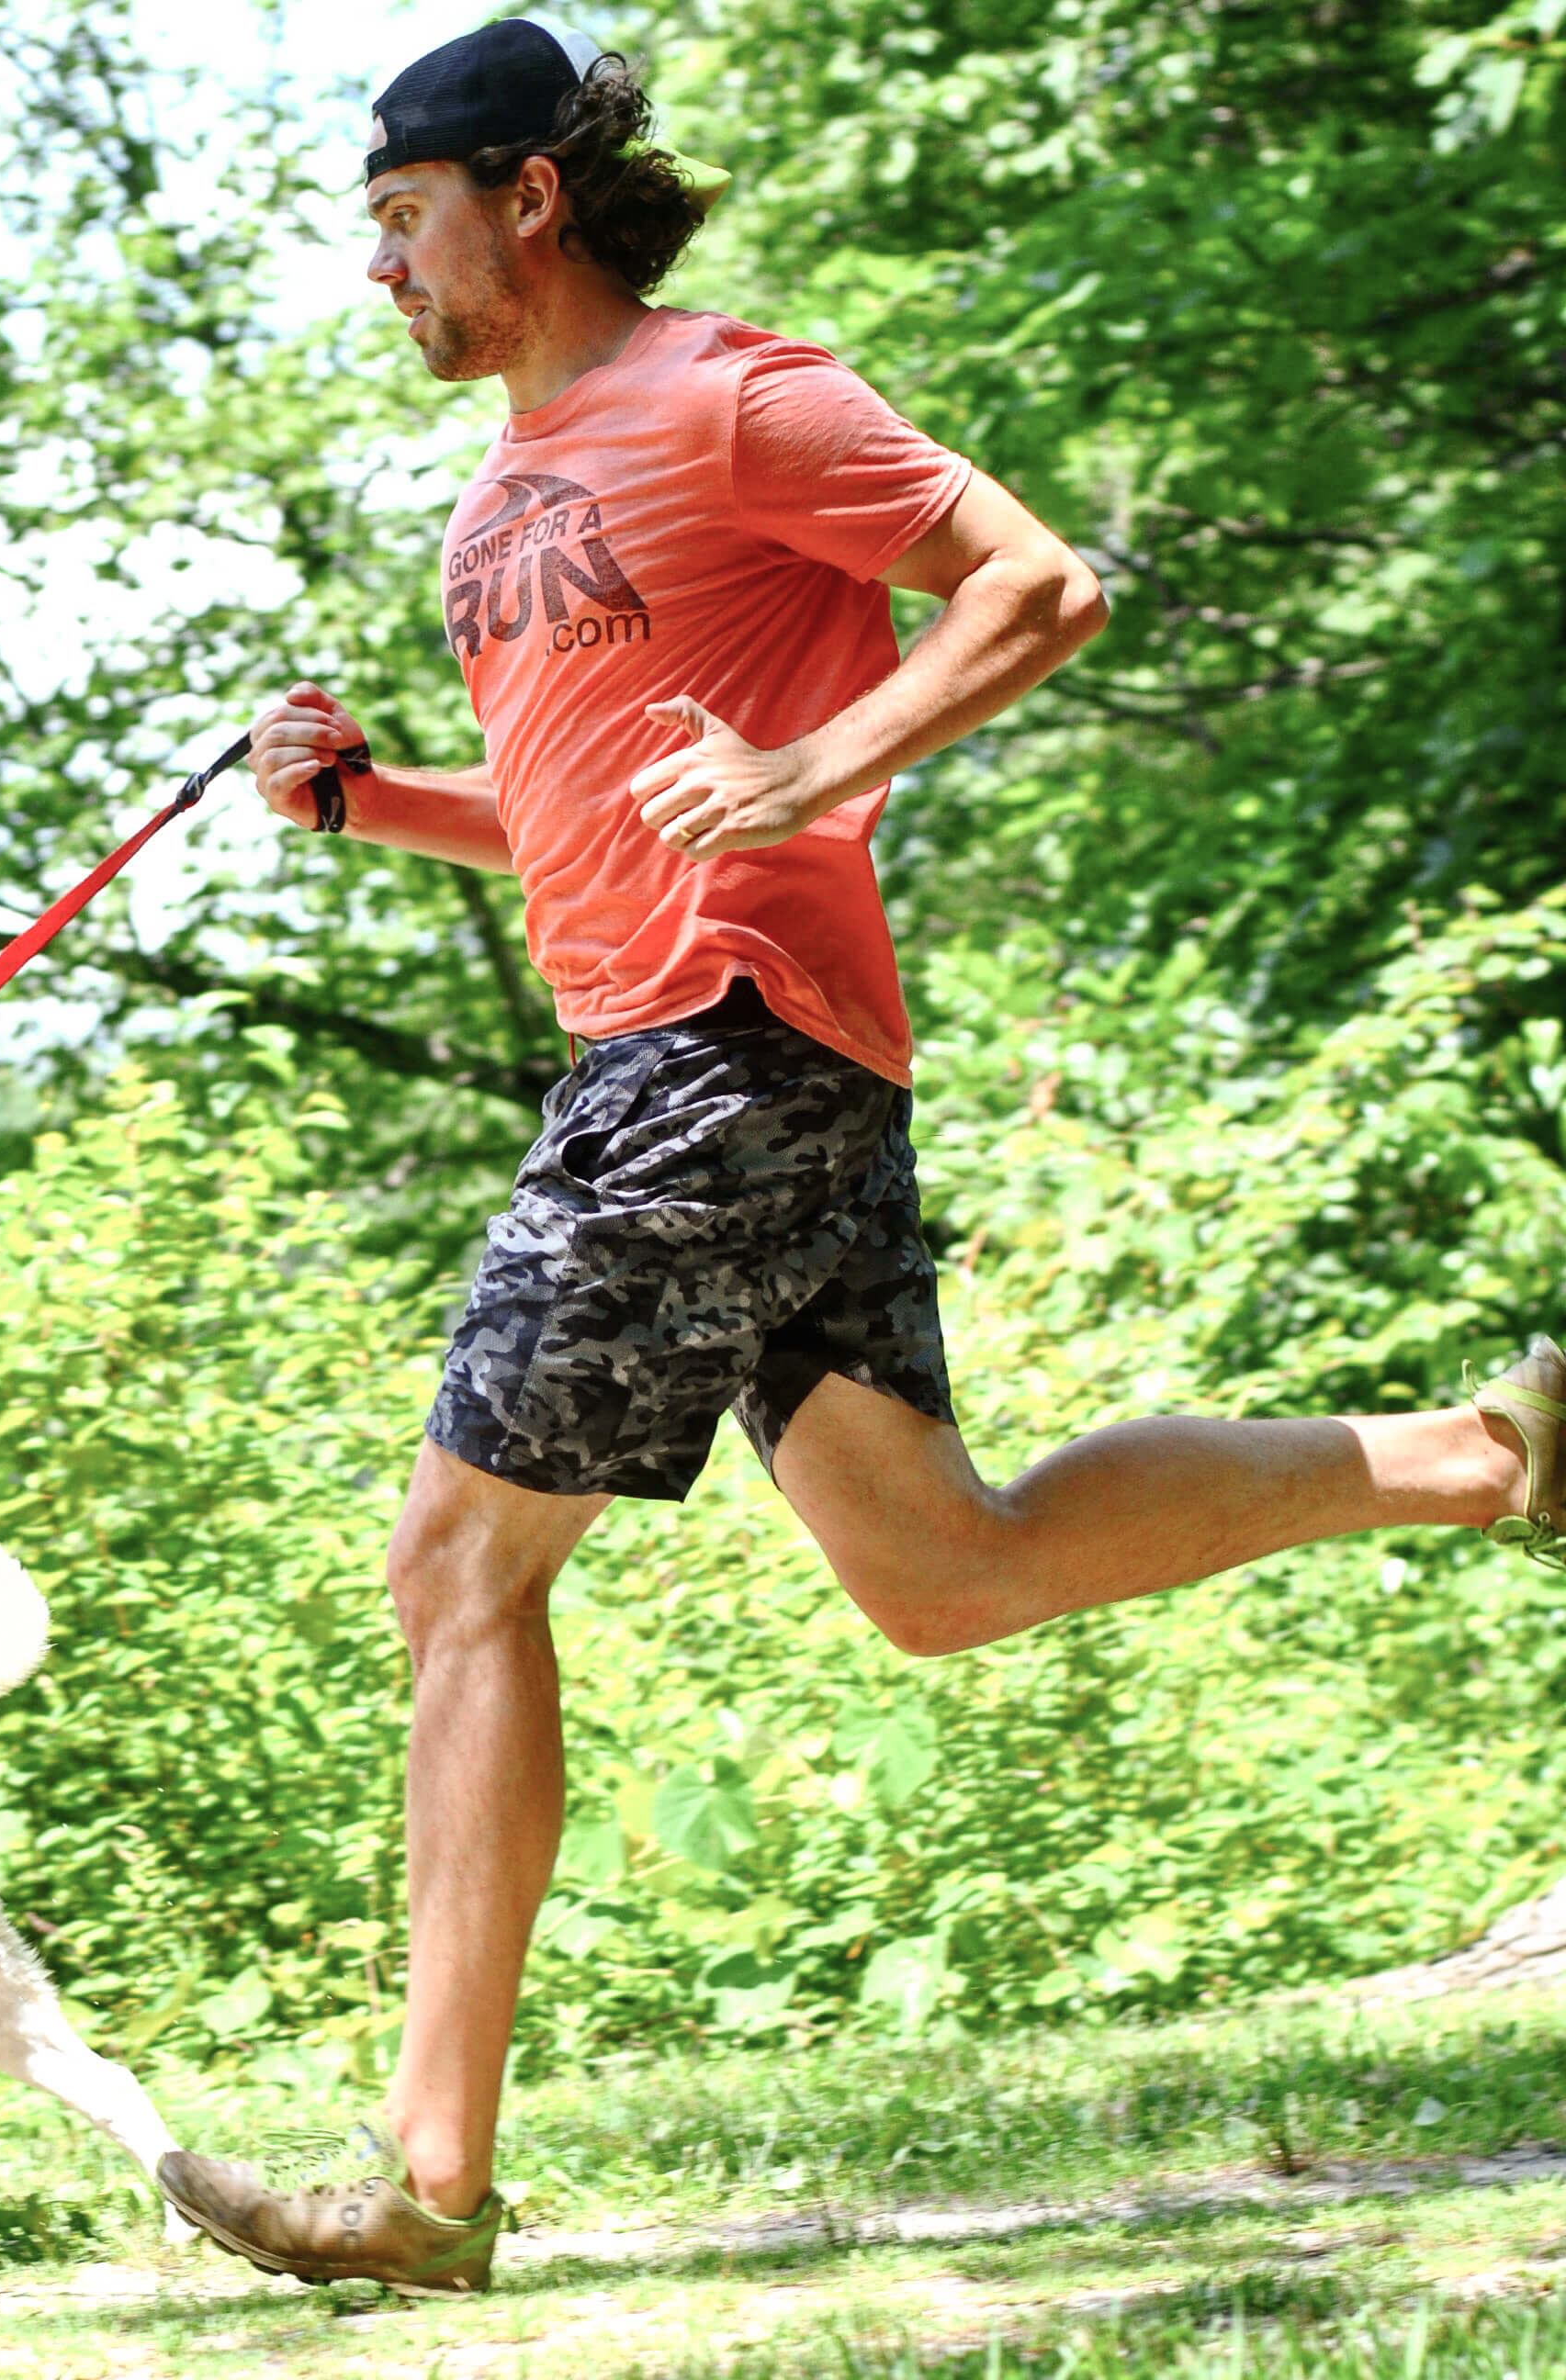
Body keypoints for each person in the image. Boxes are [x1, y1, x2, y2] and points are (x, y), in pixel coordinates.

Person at [155, 14, 1564, 2297]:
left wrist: (823, 765)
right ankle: (1492, 1454)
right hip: (723, 1053)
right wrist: (363, 800)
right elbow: (581, 801)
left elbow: (1037, 583)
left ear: (528, 195)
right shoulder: (500, 493)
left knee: (456, 1566)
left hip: (718, 1048)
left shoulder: (734, 395)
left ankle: (426, 2190)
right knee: (948, 1574)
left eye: (402, 221)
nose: (381, 273)